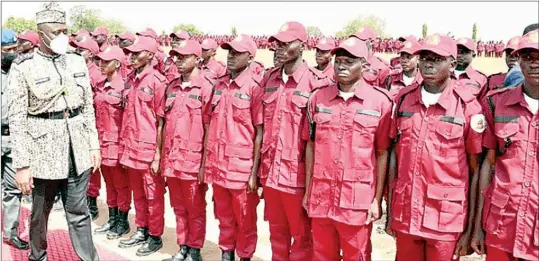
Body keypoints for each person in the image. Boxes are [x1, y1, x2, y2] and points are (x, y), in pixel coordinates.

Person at [7, 3, 101, 260]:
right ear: (42, 34)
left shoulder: (76, 61)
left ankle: (89, 258)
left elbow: (88, 107)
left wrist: (93, 145)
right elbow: (17, 119)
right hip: (42, 153)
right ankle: (38, 256)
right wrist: (22, 165)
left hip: (77, 148)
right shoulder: (23, 67)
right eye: (57, 31)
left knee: (79, 211)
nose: (64, 36)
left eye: (65, 30)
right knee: (40, 215)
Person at [385, 34, 484, 261]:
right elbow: (394, 156)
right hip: (406, 211)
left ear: (452, 63)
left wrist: (470, 227)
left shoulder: (467, 106)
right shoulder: (403, 100)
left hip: (445, 218)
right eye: (425, 58)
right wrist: (391, 211)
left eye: (437, 59)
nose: (428, 64)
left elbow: (475, 169)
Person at [303, 37, 392, 261]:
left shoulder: (380, 102)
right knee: (322, 254)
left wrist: (376, 200)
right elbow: (311, 147)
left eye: (349, 61)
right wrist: (308, 191)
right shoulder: (318, 98)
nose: (341, 66)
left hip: (356, 200)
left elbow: (382, 154)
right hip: (322, 195)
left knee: (357, 254)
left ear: (364, 65)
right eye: (338, 60)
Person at [260, 21, 330, 261]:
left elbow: (321, 140)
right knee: (276, 232)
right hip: (271, 173)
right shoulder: (268, 80)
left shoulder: (318, 83)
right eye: (276, 43)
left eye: (285, 43)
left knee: (302, 237)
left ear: (302, 45)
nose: (278, 48)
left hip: (299, 176)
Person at [471, 29, 538, 261]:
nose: (534, 64)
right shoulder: (496, 103)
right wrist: (478, 226)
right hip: (502, 222)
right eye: (528, 56)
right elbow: (487, 165)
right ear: (518, 60)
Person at [202, 34, 262, 261]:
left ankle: (244, 256)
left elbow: (259, 133)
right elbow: (209, 124)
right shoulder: (219, 85)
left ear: (250, 58)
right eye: (229, 52)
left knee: (245, 218)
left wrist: (254, 172)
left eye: (237, 53)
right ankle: (226, 253)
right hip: (219, 165)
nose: (231, 56)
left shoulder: (255, 88)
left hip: (241, 168)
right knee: (223, 215)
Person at [159, 40, 213, 261]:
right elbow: (162, 124)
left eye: (183, 57)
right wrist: (159, 157)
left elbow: (209, 128)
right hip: (172, 159)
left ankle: (194, 250)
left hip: (193, 161)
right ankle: (183, 247)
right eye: (176, 57)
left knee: (195, 209)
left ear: (197, 59)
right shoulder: (171, 87)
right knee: (179, 207)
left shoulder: (206, 87)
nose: (178, 61)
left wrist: (204, 164)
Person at [117, 36, 167, 256]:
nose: (133, 56)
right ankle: (141, 229)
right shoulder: (131, 79)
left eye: (138, 53)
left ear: (150, 55)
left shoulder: (157, 81)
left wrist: (157, 154)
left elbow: (161, 121)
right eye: (131, 53)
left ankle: (155, 236)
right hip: (131, 147)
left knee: (153, 195)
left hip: (148, 150)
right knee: (138, 193)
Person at [91, 46, 132, 239]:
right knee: (109, 183)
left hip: (117, 144)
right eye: (100, 60)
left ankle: (122, 221)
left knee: (121, 185)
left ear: (117, 64)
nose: (102, 64)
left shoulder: (124, 87)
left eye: (107, 61)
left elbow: (128, 119)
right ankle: (112, 217)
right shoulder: (99, 85)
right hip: (101, 142)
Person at [69, 34, 105, 220]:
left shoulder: (96, 74)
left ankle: (92, 203)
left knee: (92, 168)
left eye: (80, 50)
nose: (76, 52)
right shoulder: (76, 69)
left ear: (90, 54)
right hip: (78, 126)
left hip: (93, 126)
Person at [2, 28, 29, 251]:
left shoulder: (22, 72)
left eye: (14, 49)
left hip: (14, 139)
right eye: (6, 50)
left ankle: (10, 232)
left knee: (13, 190)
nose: (11, 54)